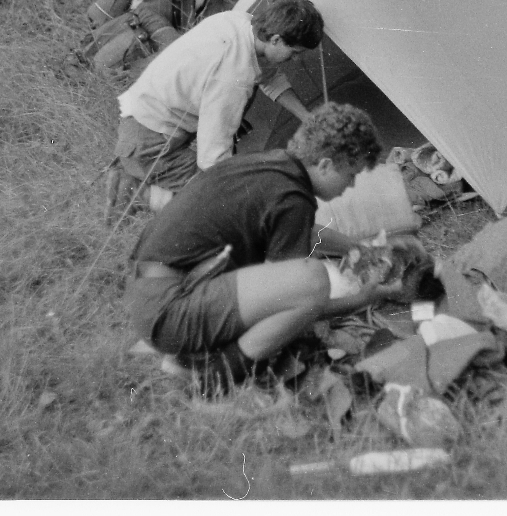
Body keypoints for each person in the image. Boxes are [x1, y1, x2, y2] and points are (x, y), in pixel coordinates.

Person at [124, 103, 407, 394]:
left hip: (148, 296)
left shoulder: (272, 166)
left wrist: (354, 247)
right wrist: (360, 299)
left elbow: (300, 232)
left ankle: (190, 355)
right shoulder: (292, 198)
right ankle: (216, 376)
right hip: (169, 313)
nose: (351, 185)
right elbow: (295, 296)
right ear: (325, 165)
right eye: (351, 174)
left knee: (298, 284)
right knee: (313, 279)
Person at [108, 0, 323, 216]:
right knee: (220, 204)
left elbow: (268, 75)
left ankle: (133, 178)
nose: (296, 59)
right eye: (295, 52)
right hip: (150, 142)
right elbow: (212, 157)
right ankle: (137, 192)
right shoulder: (233, 75)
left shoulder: (241, 22)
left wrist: (307, 117)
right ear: (276, 39)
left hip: (145, 119)